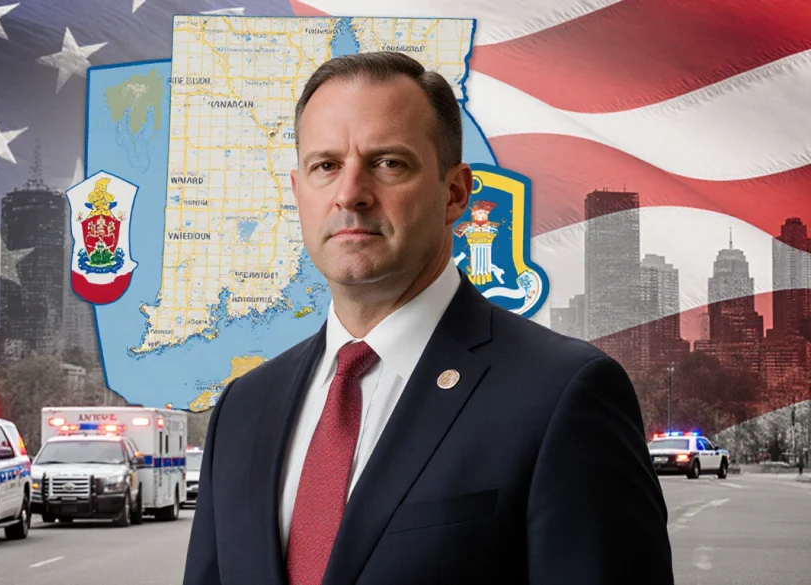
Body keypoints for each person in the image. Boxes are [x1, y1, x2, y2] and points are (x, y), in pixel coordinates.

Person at [183, 51, 674, 585]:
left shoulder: (561, 396)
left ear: (455, 193)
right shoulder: (243, 409)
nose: (350, 194)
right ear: (298, 191)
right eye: (326, 166)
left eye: (388, 163)